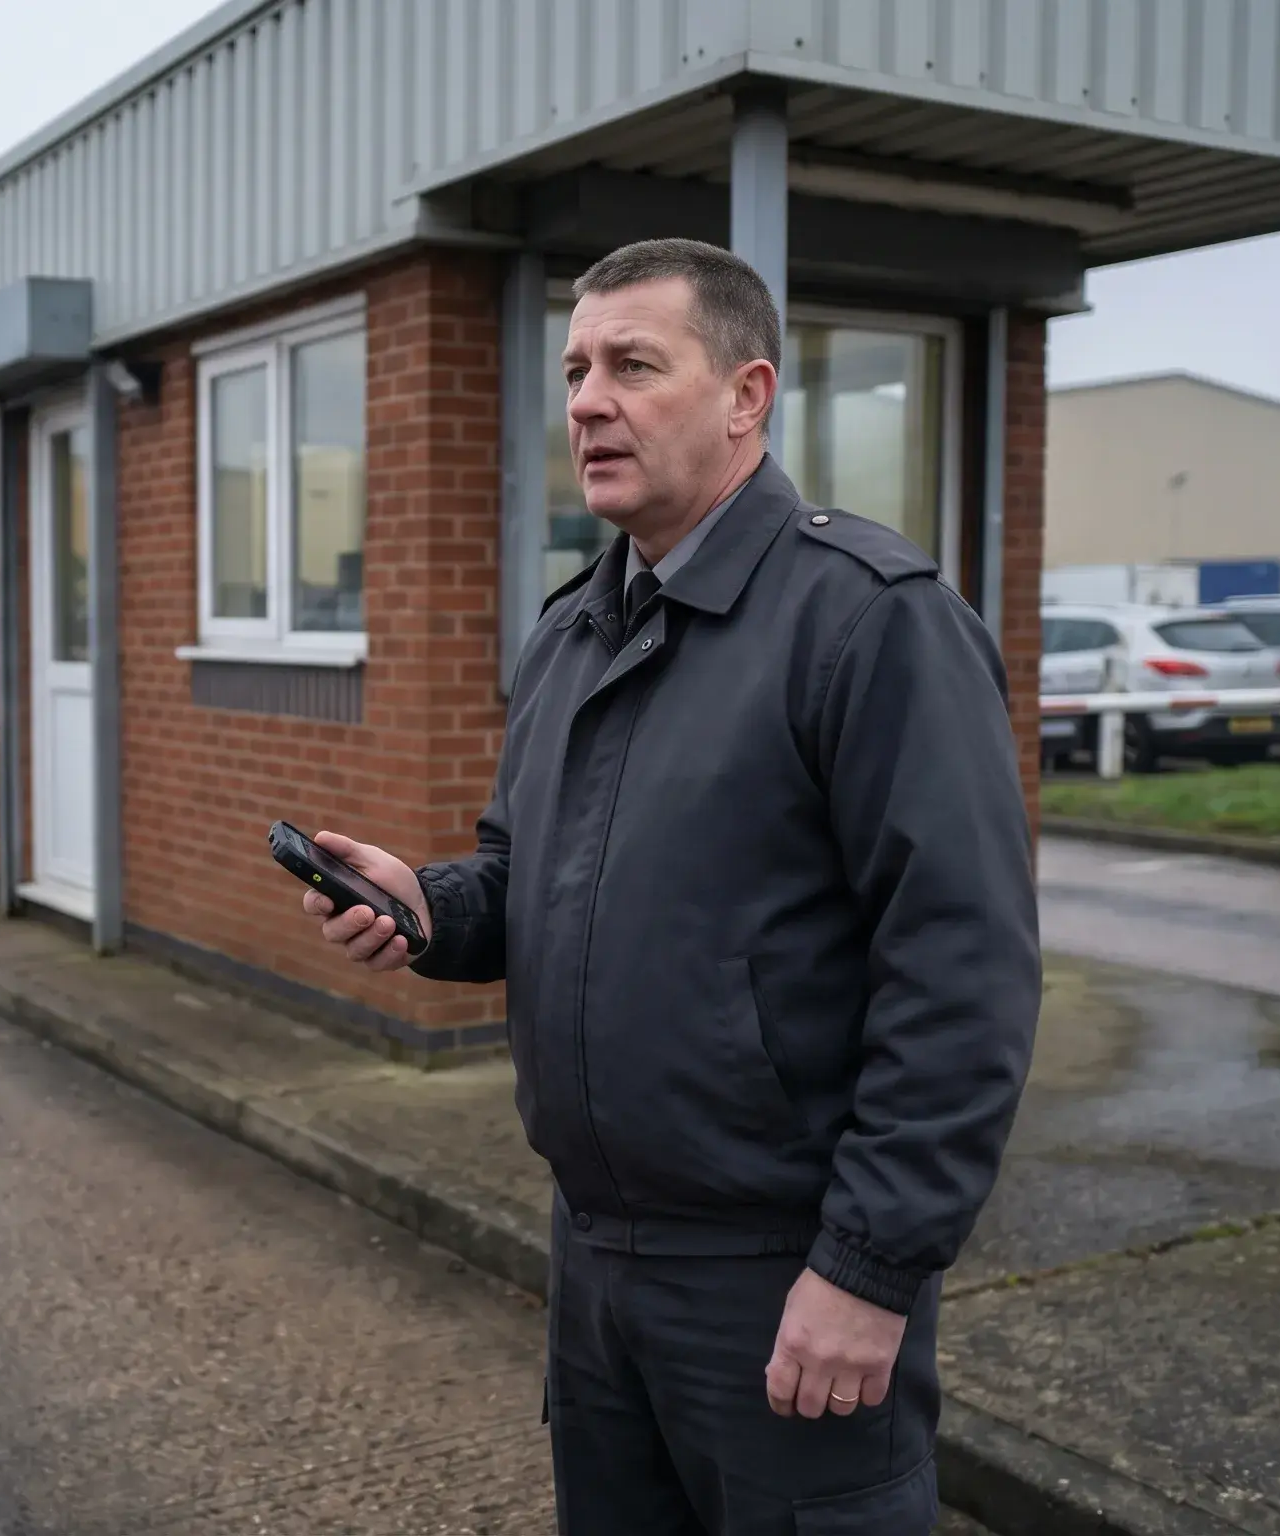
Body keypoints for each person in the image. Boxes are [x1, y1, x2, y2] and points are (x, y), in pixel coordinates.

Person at [295, 238, 1040, 1535]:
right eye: (577, 369)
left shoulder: (868, 619)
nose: (587, 399)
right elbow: (537, 879)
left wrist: (868, 1268)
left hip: (780, 1276)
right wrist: (430, 903)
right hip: (598, 1264)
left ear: (748, 395)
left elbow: (960, 971)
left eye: (634, 365)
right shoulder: (573, 630)